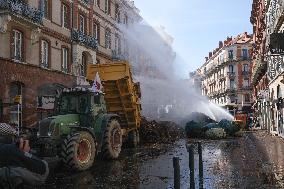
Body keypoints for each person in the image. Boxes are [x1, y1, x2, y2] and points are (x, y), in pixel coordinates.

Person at [0, 123, 49, 188]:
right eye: (13, 137)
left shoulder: (8, 148)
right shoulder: (10, 148)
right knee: (11, 171)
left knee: (9, 171)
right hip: (41, 168)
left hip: (40, 170)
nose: (14, 140)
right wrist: (24, 153)